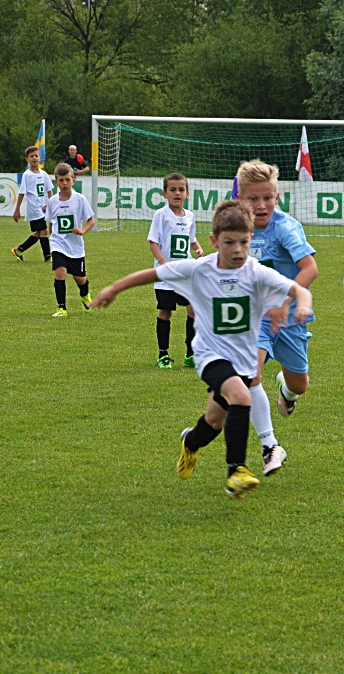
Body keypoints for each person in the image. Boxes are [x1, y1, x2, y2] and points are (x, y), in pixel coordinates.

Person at [90, 200, 313, 499]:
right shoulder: (199, 269)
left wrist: (304, 304)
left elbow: (296, 288)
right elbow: (154, 274)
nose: (238, 250)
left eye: (244, 242)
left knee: (214, 421)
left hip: (242, 360)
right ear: (214, 241)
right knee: (241, 396)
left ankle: (190, 442)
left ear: (251, 239)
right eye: (229, 242)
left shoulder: (256, 271)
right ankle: (236, 471)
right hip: (210, 356)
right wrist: (115, 288)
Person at [236, 159, 318, 477]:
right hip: (256, 318)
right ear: (241, 198)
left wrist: (285, 303)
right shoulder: (237, 226)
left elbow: (310, 269)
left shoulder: (285, 227)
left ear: (277, 197)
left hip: (290, 318)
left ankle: (287, 390)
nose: (261, 205)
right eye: (253, 198)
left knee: (300, 383)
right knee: (250, 374)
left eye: (268, 197)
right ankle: (270, 446)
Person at [147, 172, 204, 369]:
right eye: (172, 190)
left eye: (181, 190)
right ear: (164, 193)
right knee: (165, 311)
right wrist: (163, 262)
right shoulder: (161, 215)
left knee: (193, 309)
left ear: (187, 193)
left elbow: (190, 238)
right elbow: (153, 242)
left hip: (185, 273)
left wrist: (197, 248)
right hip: (166, 276)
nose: (177, 193)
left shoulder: (190, 216)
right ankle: (163, 354)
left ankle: (191, 353)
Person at [46, 163, 95, 317]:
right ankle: (61, 308)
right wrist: (52, 241)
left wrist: (82, 230)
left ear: (74, 180)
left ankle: (85, 295)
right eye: (61, 180)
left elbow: (91, 220)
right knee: (60, 272)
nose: (65, 183)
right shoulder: (53, 201)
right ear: (56, 182)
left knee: (80, 278)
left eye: (68, 180)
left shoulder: (80, 199)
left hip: (75, 246)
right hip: (58, 244)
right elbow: (51, 222)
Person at [11, 146, 53, 263]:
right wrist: (17, 210)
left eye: (36, 155)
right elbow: (22, 193)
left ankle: (19, 249)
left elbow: (49, 190)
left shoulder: (44, 174)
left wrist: (51, 205)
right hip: (34, 208)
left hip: (43, 208)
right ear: (27, 159)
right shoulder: (27, 175)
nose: (34, 158)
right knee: (44, 231)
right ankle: (47, 257)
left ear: (40, 158)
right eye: (31, 156)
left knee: (40, 233)